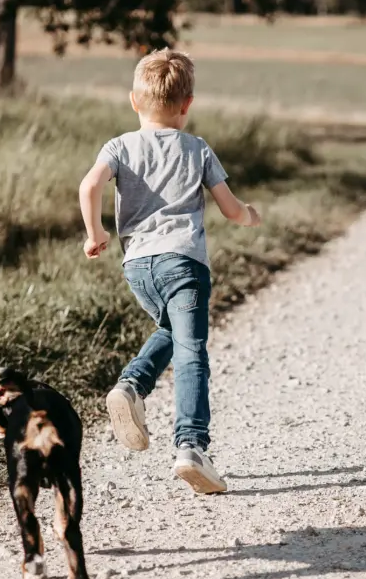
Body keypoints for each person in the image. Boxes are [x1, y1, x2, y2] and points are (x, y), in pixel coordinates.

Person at [78, 49, 261, 494]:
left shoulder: (119, 146)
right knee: (192, 349)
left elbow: (89, 185)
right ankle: (191, 445)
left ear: (134, 101)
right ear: (188, 104)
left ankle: (132, 387)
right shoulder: (197, 148)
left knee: (172, 331)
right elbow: (230, 208)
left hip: (138, 265)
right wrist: (250, 216)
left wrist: (95, 232)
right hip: (184, 263)